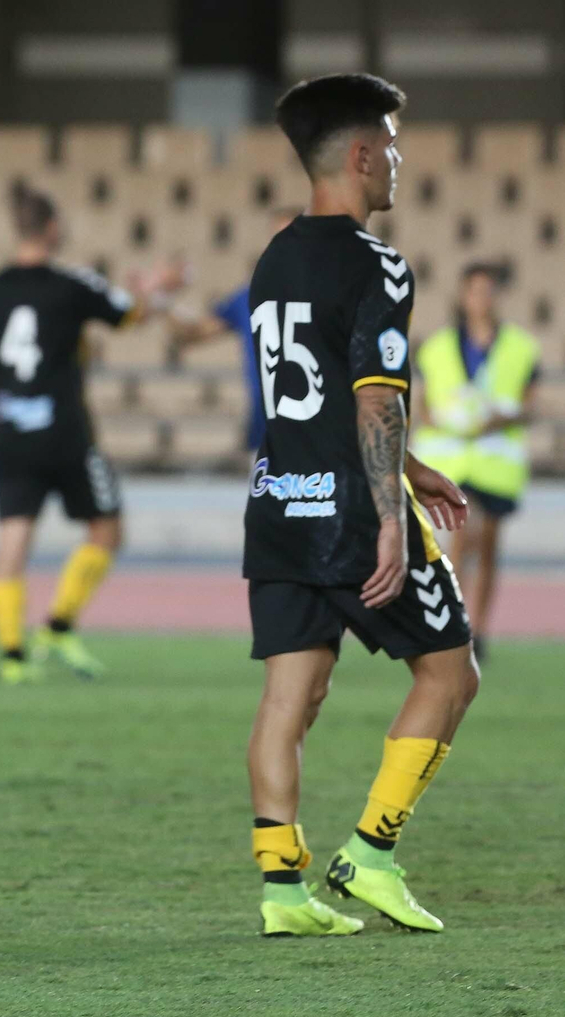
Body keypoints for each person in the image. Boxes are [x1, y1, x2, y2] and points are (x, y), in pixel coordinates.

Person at [242, 73, 480, 938]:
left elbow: (323, 400)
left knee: (289, 699)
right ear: (359, 154)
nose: (398, 157)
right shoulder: (376, 263)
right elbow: (375, 397)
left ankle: (281, 890)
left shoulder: (274, 257)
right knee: (452, 672)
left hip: (278, 502)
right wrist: (390, 514)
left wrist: (408, 466)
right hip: (350, 513)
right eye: (390, 141)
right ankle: (371, 854)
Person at [0, 184, 182, 685]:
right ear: (53, 229)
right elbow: (129, 315)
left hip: (10, 431)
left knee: (13, 535)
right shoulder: (72, 285)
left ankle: (13, 657)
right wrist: (160, 289)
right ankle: (59, 625)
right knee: (106, 526)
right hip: (65, 432)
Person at [410, 263, 540, 663]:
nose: (481, 299)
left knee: (487, 546)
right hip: (452, 461)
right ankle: (456, 620)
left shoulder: (520, 347)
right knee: (463, 536)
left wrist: (499, 418)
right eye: (474, 291)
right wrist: (453, 420)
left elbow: (529, 406)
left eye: (488, 291)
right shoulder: (437, 346)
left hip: (495, 463)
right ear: (462, 296)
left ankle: (478, 628)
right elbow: (425, 408)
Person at [168, 208, 301, 452]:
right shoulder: (249, 296)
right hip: (265, 429)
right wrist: (163, 300)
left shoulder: (332, 293)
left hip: (321, 431)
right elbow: (192, 335)